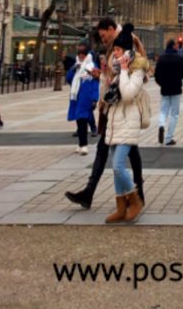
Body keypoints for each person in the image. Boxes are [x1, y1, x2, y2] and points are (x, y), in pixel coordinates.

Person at [65, 17, 145, 212]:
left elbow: (139, 68)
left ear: (111, 29)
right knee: (121, 147)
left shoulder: (128, 40)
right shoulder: (114, 45)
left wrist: (117, 78)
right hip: (111, 104)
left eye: (103, 36)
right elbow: (112, 72)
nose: (103, 41)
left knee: (112, 148)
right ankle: (129, 191)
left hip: (123, 104)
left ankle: (130, 193)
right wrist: (101, 76)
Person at [103, 23, 148, 223]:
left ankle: (135, 200)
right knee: (115, 168)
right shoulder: (117, 68)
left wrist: (121, 71)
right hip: (115, 122)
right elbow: (111, 95)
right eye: (114, 50)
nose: (114, 53)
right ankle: (121, 207)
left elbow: (128, 95)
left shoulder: (137, 69)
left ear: (127, 51)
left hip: (128, 121)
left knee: (119, 166)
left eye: (118, 50)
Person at [67, 42, 100, 154]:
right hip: (76, 97)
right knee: (79, 121)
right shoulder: (76, 65)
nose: (81, 55)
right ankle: (81, 144)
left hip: (86, 98)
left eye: (83, 53)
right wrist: (73, 69)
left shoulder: (92, 66)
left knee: (82, 121)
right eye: (79, 53)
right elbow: (68, 79)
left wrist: (95, 99)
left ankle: (84, 145)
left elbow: (96, 84)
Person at [154, 39, 183, 146]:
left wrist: (162, 83)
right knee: (174, 114)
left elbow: (156, 74)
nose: (178, 46)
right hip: (176, 88)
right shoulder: (179, 58)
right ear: (173, 46)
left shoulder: (161, 59)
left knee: (163, 111)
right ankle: (168, 138)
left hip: (165, 88)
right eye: (176, 45)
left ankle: (161, 124)